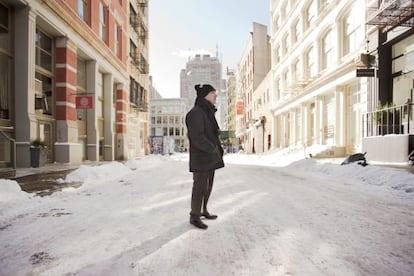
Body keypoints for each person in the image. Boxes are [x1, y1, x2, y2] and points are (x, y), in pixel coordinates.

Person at [185, 84, 224, 229]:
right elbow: (197, 137)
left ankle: (203, 210)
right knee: (199, 187)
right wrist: (212, 148)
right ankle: (194, 216)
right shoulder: (196, 113)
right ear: (206, 95)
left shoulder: (207, 112)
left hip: (210, 158)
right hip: (201, 158)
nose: (216, 96)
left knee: (207, 187)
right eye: (214, 93)